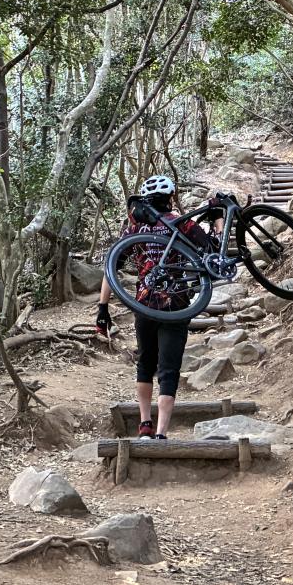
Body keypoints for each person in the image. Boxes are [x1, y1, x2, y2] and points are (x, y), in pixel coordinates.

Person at [97, 173, 208, 439]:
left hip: (145, 303)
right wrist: (216, 219)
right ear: (170, 198)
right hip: (177, 304)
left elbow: (111, 268)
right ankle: (161, 433)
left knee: (145, 363)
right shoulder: (182, 224)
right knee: (169, 368)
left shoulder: (134, 229)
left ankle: (144, 423)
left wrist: (102, 308)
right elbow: (211, 249)